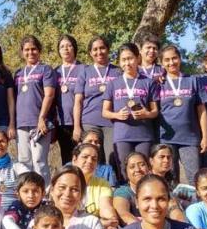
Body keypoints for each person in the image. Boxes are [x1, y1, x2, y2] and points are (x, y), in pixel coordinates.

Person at [102, 43, 159, 180]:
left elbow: (155, 111)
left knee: (144, 172)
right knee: (124, 173)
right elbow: (105, 112)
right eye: (123, 59)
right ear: (119, 62)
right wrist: (117, 115)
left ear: (138, 58)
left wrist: (147, 114)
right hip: (122, 136)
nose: (127, 63)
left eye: (130, 58)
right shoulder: (113, 84)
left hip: (144, 136)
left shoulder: (149, 82)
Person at [156, 45, 207, 183]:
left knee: (194, 178)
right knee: (170, 180)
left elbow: (202, 110)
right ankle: (173, 205)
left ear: (180, 59)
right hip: (166, 139)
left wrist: (205, 136)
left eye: (174, 58)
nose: (171, 62)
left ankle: (196, 204)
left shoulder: (193, 80)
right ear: (161, 63)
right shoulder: (157, 84)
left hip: (190, 138)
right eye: (167, 60)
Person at [73, 36, 121, 171]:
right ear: (90, 53)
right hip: (89, 121)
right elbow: (78, 101)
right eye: (95, 49)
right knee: (91, 158)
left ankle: (111, 188)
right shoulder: (85, 71)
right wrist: (77, 126)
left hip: (112, 122)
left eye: (102, 48)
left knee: (113, 159)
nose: (99, 52)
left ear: (108, 49)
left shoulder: (117, 71)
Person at [14, 35, 56, 183]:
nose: (30, 52)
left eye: (34, 49)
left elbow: (49, 95)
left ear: (39, 51)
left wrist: (42, 118)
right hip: (21, 123)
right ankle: (26, 194)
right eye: (27, 50)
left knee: (39, 161)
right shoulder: (18, 73)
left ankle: (44, 196)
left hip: (39, 123)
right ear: (22, 52)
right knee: (24, 161)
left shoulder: (46, 69)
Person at [71, 144, 118, 229]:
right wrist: (99, 224)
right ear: (74, 160)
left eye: (94, 159)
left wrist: (110, 222)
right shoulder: (64, 181)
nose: (89, 161)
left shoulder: (102, 184)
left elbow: (109, 215)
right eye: (85, 157)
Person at [54, 34, 82, 165]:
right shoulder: (55, 72)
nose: (66, 49)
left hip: (81, 121)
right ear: (59, 51)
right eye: (62, 47)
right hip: (62, 122)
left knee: (82, 156)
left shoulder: (84, 69)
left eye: (69, 46)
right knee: (66, 158)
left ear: (74, 48)